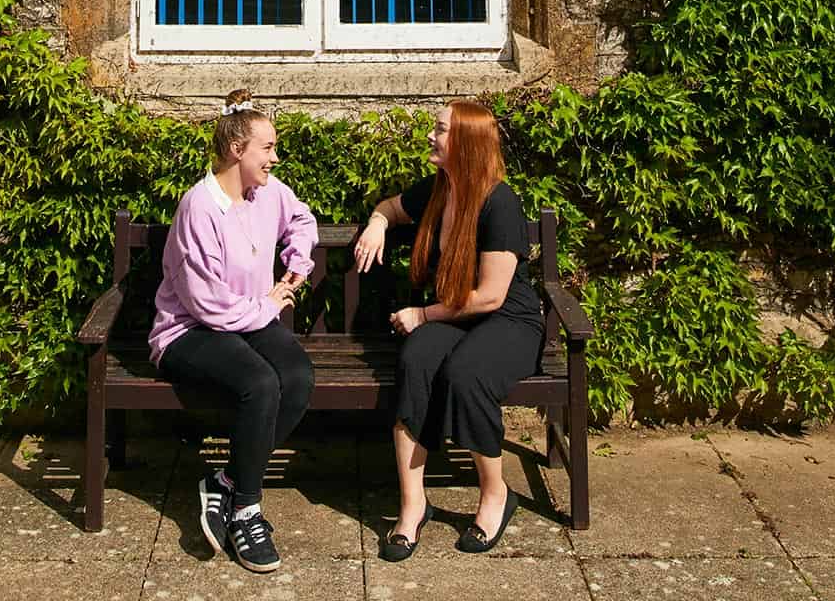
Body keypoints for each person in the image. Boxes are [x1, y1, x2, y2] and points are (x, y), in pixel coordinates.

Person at [353, 100, 544, 559]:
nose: (430, 137)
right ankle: (413, 505)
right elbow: (391, 207)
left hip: (507, 320)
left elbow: (492, 296)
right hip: (458, 315)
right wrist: (378, 223)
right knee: (416, 359)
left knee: (466, 374)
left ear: (467, 142)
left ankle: (497, 494)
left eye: (440, 130)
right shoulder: (439, 189)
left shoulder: (500, 202)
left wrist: (423, 314)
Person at [148, 89, 317, 574]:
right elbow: (206, 303)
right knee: (259, 383)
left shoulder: (268, 193)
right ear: (237, 150)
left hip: (248, 318)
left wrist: (296, 265)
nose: (275, 157)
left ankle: (222, 480)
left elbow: (301, 220)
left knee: (298, 378)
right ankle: (246, 507)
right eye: (267, 147)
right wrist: (266, 305)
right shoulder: (199, 208)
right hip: (189, 330)